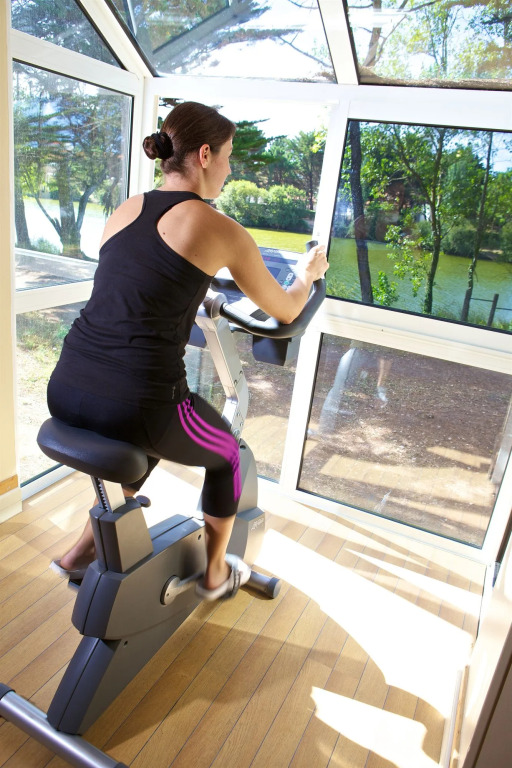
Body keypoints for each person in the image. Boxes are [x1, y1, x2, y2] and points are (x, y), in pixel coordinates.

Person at [47, 101, 328, 600]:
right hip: (138, 403)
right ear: (204, 155)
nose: (230, 169)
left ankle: (77, 555)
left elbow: (139, 283)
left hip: (66, 386)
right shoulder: (219, 227)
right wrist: (307, 276)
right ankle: (216, 575)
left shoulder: (127, 208)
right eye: (228, 156)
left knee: (143, 446)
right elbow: (286, 310)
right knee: (228, 455)